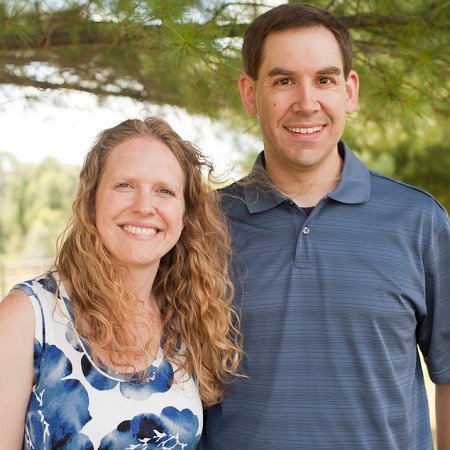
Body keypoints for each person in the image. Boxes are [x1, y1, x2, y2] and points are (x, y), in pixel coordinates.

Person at [200, 3, 450, 449]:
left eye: (325, 80)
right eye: (283, 81)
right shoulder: (205, 225)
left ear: (349, 91)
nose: (306, 102)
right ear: (249, 92)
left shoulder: (419, 221)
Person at [0, 117, 242, 449]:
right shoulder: (28, 317)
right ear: (91, 201)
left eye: (164, 191)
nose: (144, 207)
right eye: (125, 185)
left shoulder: (186, 320)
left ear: (185, 216)